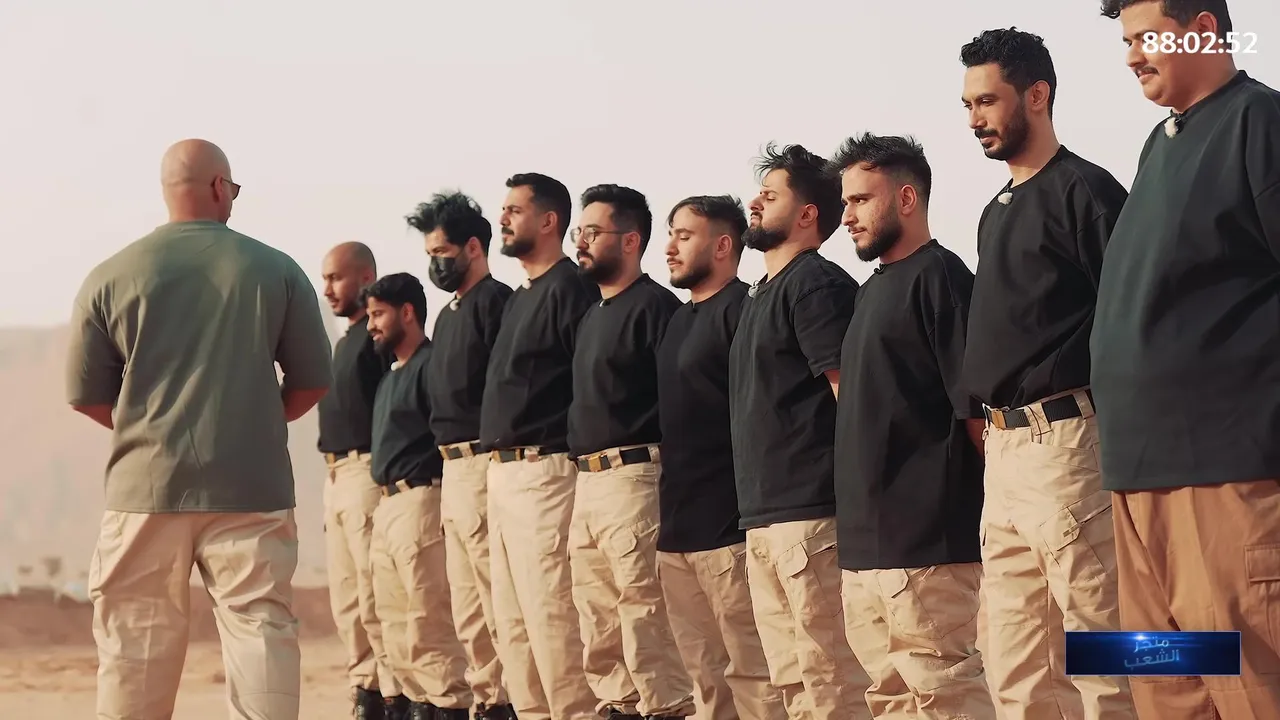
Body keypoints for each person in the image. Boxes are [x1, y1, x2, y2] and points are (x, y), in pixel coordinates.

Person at [64, 138, 332, 720]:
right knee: (260, 627)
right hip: (251, 486)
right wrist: (253, 422)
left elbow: (86, 396)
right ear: (217, 187)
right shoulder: (277, 269)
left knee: (135, 642)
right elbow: (312, 381)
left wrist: (146, 430)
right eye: (232, 187)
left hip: (145, 488)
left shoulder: (110, 275)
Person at [1094, 0, 1280, 716]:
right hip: (1136, 489)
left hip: (1224, 481)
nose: (1131, 56)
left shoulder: (1259, 121)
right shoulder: (1158, 144)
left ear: (1204, 31)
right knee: (1167, 694)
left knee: (1251, 690)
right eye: (1125, 41)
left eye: (1146, 38)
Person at [959, 28, 1135, 719]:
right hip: (1003, 458)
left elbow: (1131, 322)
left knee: (1104, 645)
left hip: (1068, 445)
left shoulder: (1087, 190)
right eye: (967, 105)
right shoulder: (993, 212)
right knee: (1015, 661)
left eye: (987, 101)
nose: (974, 119)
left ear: (1037, 95)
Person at [827, 133, 994, 719]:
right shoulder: (870, 292)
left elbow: (975, 412)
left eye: (860, 200)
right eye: (845, 202)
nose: (846, 217)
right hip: (864, 545)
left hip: (927, 541)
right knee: (889, 698)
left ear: (905, 198)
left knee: (944, 691)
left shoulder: (942, 277)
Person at [728, 143, 871, 720]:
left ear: (808, 213)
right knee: (792, 686)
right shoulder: (759, 293)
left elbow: (849, 398)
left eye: (770, 195)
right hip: (764, 516)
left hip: (811, 514)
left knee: (831, 680)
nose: (755, 203)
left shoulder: (816, 284)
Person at [564, 184, 693, 720]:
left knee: (643, 610)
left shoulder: (658, 309)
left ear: (631, 240)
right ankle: (618, 705)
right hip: (587, 482)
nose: (581, 242)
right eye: (580, 232)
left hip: (634, 476)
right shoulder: (592, 315)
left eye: (593, 232)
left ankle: (665, 707)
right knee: (596, 615)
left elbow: (681, 404)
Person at [656, 194, 786, 720]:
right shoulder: (676, 322)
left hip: (729, 530)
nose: (670, 247)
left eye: (684, 235)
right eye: (671, 234)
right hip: (677, 529)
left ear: (723, 245)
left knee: (756, 678)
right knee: (704, 683)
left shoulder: (744, 311)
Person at [479, 173, 600, 720]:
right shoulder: (519, 298)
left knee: (553, 617)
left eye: (514, 210)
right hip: (501, 477)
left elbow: (588, 383)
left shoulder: (572, 289)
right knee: (513, 626)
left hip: (545, 473)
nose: (502, 219)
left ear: (549, 221)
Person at [407, 192, 517, 720]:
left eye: (443, 252)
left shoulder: (498, 304)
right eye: (430, 253)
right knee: (466, 603)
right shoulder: (447, 318)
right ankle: (488, 699)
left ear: (473, 247)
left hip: (484, 462)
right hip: (450, 470)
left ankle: (513, 699)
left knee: (497, 596)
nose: (436, 263)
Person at [364, 272, 473, 720]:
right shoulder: (389, 378)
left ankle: (448, 706)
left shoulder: (432, 366)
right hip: (387, 507)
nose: (371, 325)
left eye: (378, 314)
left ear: (407, 312)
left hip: (422, 502)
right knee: (391, 625)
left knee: (428, 621)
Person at [317, 240, 403, 718]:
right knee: (347, 597)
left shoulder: (375, 344)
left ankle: (393, 692)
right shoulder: (343, 342)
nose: (328, 288)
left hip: (366, 472)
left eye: (336, 277)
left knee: (375, 595)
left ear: (365, 277)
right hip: (334, 477)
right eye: (324, 279)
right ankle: (365, 689)